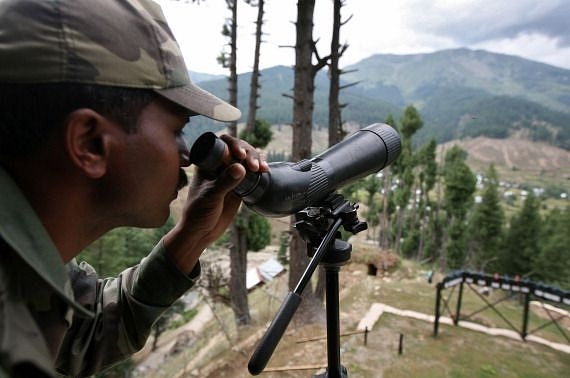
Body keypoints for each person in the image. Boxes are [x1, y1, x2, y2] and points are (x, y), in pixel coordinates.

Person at [0, 0, 269, 376]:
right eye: (176, 131)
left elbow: (84, 331)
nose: (187, 156)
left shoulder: (23, 270)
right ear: (91, 144)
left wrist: (191, 236)